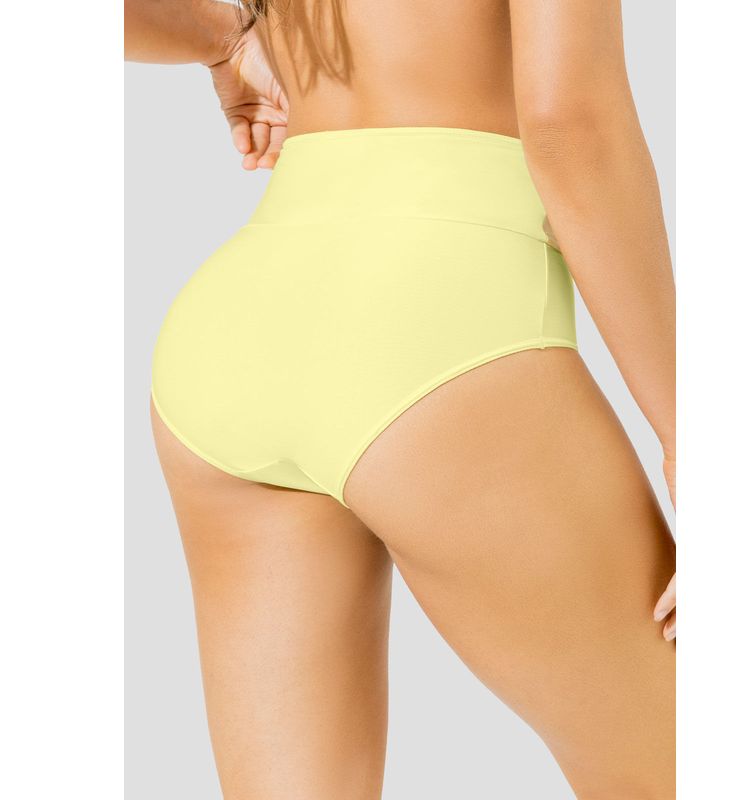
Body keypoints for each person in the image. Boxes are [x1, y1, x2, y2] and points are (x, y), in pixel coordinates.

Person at [126, 1, 676, 797]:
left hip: (234, 325)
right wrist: (686, 431)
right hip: (435, 321)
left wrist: (223, 37)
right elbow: (569, 127)